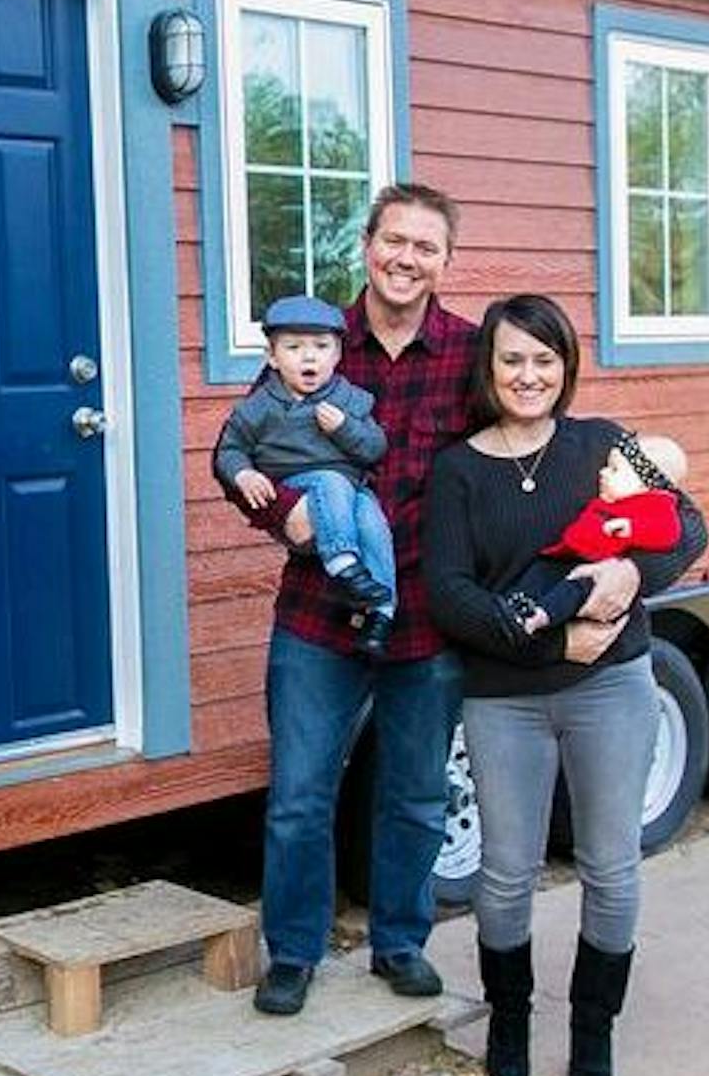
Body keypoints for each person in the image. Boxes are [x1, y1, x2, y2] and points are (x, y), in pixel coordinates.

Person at [237, 186, 642, 1019]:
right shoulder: (313, 341)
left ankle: (398, 941)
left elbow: (523, 450)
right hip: (318, 609)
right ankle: (295, 953)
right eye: (395, 240)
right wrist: (284, 513)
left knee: (418, 791)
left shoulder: (469, 353)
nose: (407, 258)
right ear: (368, 244)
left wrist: (624, 526)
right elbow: (252, 446)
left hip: (428, 611)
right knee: (300, 795)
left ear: (445, 261)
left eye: (426, 246)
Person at [422, 295, 707, 1076]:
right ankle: (509, 1018)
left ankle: (593, 1029)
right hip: (504, 697)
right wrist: (553, 639)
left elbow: (685, 529)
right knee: (506, 874)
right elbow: (450, 595)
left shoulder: (606, 444)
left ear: (566, 366)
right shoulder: (458, 470)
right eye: (512, 358)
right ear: (488, 367)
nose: (528, 374)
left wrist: (628, 576)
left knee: (610, 868)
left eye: (544, 358)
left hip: (611, 685)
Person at [212, 294, 396, 657]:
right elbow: (229, 449)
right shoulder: (261, 405)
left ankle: (380, 612)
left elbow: (375, 448)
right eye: (294, 347)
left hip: (353, 489)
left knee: (375, 526)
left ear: (338, 355)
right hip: (298, 483)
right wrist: (244, 474)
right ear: (272, 358)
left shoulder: (349, 399)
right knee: (330, 481)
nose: (309, 356)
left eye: (321, 346)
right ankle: (341, 562)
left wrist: (344, 428)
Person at [506, 434, 689, 638]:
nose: (603, 472)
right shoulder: (613, 497)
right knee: (540, 572)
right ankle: (515, 604)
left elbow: (668, 533)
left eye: (614, 469)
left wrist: (632, 528)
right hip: (569, 553)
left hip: (596, 567)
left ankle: (539, 617)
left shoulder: (656, 505)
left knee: (575, 590)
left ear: (644, 484)